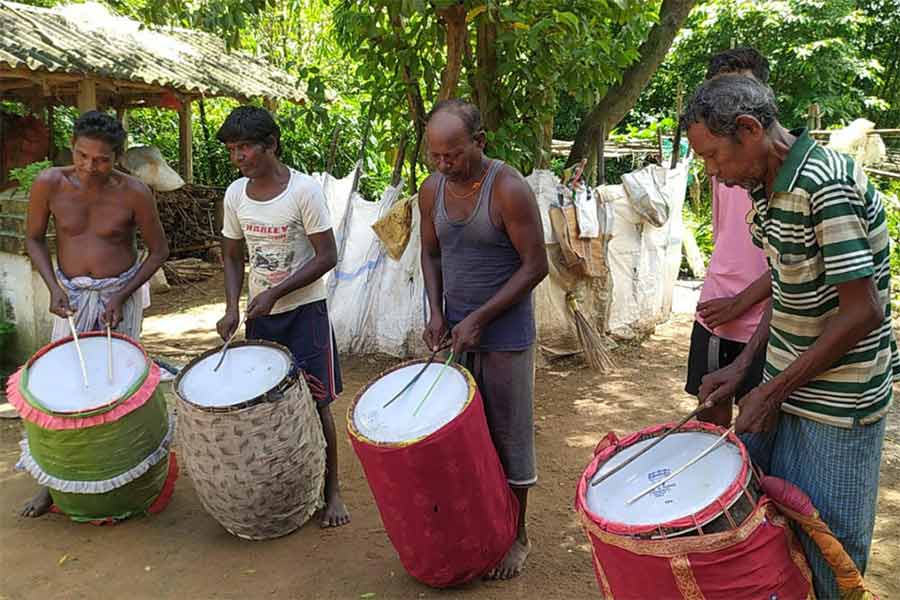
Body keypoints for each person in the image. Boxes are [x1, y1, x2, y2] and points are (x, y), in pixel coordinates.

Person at [684, 74, 898, 598]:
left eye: (713, 157)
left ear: (749, 129)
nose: (713, 172)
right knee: (764, 525)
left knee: (828, 545)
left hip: (837, 401)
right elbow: (788, 284)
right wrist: (742, 370)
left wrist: (772, 390)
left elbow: (863, 311)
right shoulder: (768, 185)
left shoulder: (824, 184)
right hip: (787, 381)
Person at [418, 99, 549, 580]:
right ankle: (477, 523)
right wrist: (437, 312)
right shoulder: (430, 191)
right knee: (459, 433)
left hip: (506, 336)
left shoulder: (508, 189)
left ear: (480, 142)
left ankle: (518, 535)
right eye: (435, 155)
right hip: (456, 332)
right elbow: (430, 256)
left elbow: (536, 266)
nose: (443, 164)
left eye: (453, 154)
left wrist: (482, 317)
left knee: (509, 434)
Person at [22, 110, 170, 517]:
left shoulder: (134, 192)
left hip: (117, 296)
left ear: (117, 157)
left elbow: (159, 251)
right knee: (60, 388)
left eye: (101, 159)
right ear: (72, 149)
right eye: (83, 156)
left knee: (114, 388)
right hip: (69, 296)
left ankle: (126, 474)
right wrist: (53, 287)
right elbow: (33, 239)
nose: (90, 166)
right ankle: (52, 484)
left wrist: (122, 294)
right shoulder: (49, 184)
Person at [215, 106, 349, 528]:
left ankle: (333, 493)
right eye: (233, 150)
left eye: (245, 148)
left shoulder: (303, 192)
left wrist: (276, 292)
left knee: (317, 400)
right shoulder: (236, 194)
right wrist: (232, 307)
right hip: (262, 317)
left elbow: (327, 255)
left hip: (304, 313)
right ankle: (282, 486)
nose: (238, 157)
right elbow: (233, 256)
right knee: (266, 404)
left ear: (270, 145)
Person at [685, 47, 772, 426]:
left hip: (761, 315)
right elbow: (726, 236)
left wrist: (742, 301)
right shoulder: (723, 165)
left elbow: (793, 264)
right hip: (716, 309)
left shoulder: (778, 173)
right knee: (710, 415)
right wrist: (721, 293)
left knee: (757, 425)